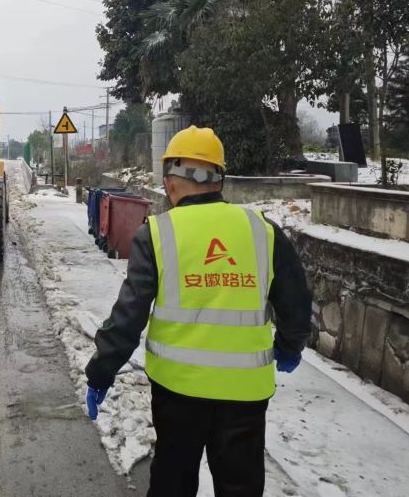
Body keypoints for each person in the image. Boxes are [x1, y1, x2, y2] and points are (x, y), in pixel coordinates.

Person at [84, 126, 312, 497]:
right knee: (241, 485)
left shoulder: (156, 234)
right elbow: (296, 302)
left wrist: (100, 371)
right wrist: (290, 346)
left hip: (178, 391)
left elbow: (128, 316)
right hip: (245, 392)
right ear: (217, 179)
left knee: (173, 478)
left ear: (171, 180)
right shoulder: (263, 230)